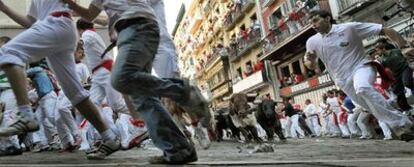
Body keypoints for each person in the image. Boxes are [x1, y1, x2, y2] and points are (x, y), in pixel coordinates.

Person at [63, 0, 211, 164]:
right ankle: (178, 150)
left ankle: (183, 91)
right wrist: (73, 7)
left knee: (121, 79)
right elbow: (92, 14)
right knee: (143, 97)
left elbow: (96, 16)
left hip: (136, 26)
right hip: (135, 29)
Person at [0, 0, 120, 159]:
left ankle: (26, 114)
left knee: (9, 53)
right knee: (74, 93)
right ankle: (109, 137)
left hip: (56, 24)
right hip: (60, 30)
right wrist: (4, 7)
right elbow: (30, 21)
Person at [304, 10, 414, 141]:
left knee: (362, 87)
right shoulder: (312, 41)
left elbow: (385, 30)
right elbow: (311, 65)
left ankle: (400, 126)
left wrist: (404, 47)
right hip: (341, 79)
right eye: (311, 23)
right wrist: (309, 60)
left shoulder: (349, 28)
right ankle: (405, 123)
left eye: (316, 20)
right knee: (370, 106)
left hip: (361, 67)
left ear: (327, 18)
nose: (313, 25)